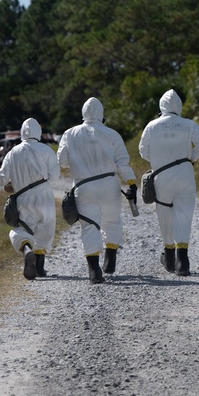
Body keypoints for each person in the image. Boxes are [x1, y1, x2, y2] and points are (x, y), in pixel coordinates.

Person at [57, 97, 138, 284]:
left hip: (84, 187)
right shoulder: (112, 134)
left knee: (89, 227)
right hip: (110, 185)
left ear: (83, 113)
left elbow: (61, 161)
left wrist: (77, 161)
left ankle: (94, 271)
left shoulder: (69, 134)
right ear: (101, 115)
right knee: (112, 222)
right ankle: (110, 258)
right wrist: (132, 183)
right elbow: (122, 163)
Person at [138, 89, 199, 276]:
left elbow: (143, 151)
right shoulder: (189, 124)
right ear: (178, 106)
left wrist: (158, 160)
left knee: (165, 215)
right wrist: (191, 158)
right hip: (185, 175)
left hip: (161, 177)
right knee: (184, 215)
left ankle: (169, 258)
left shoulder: (151, 126)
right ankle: (182, 262)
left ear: (161, 106)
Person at [0, 118, 60, 280]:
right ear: (38, 132)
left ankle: (26, 249)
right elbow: (54, 177)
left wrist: (13, 182)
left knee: (22, 229)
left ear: (22, 131)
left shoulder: (13, 153)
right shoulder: (46, 150)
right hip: (44, 195)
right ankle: (40, 268)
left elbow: (1, 180)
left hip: (23, 198)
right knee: (44, 229)